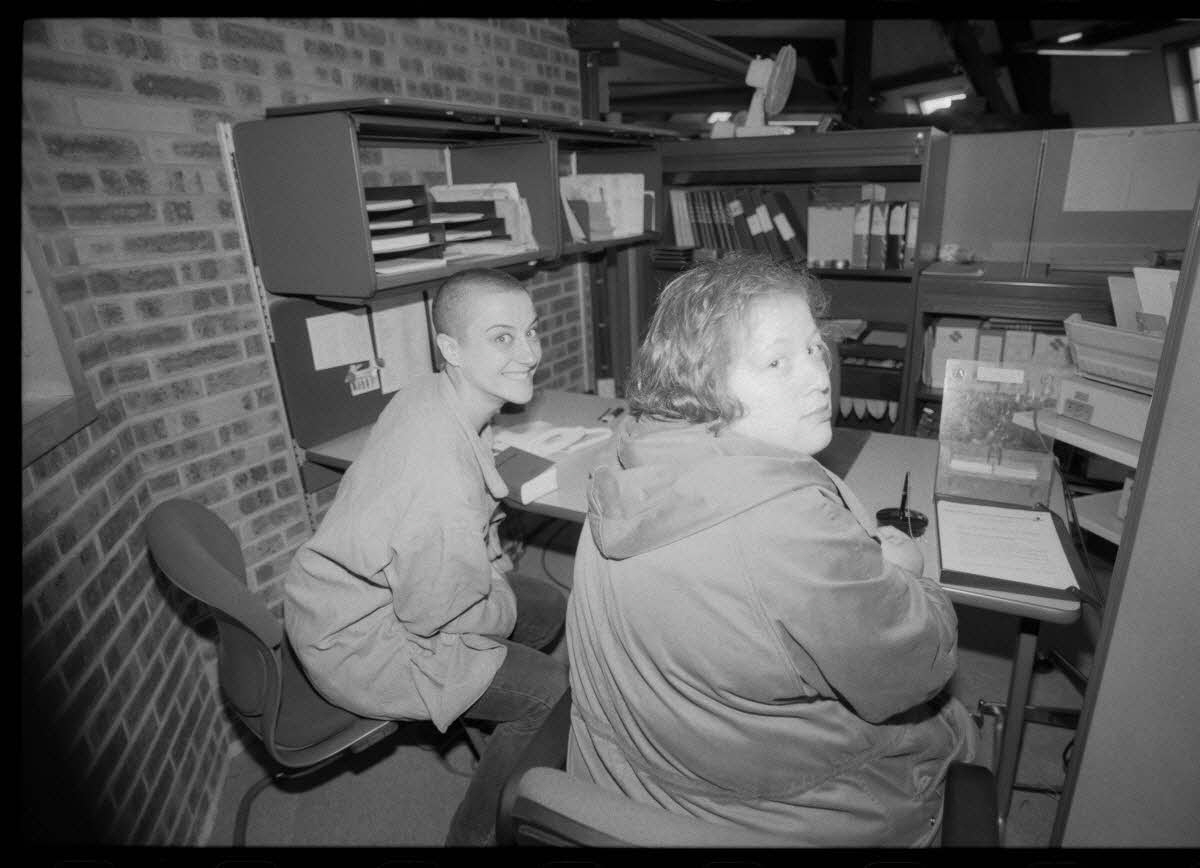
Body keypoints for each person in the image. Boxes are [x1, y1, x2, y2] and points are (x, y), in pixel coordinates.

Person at [565, 254, 978, 847]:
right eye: (776, 361)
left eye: (814, 348)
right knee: (957, 729)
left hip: (632, 785)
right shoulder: (792, 531)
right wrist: (908, 575)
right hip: (773, 818)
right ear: (701, 381)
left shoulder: (625, 467)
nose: (818, 376)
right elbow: (918, 670)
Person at [284, 268, 568, 847]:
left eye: (531, 331)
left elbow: (470, 539)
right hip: (363, 645)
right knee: (550, 692)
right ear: (451, 349)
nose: (529, 353)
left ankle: (490, 710)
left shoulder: (430, 393)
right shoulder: (439, 478)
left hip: (342, 605)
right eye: (502, 338)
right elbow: (434, 615)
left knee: (546, 606)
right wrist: (499, 598)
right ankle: (476, 833)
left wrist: (496, 578)